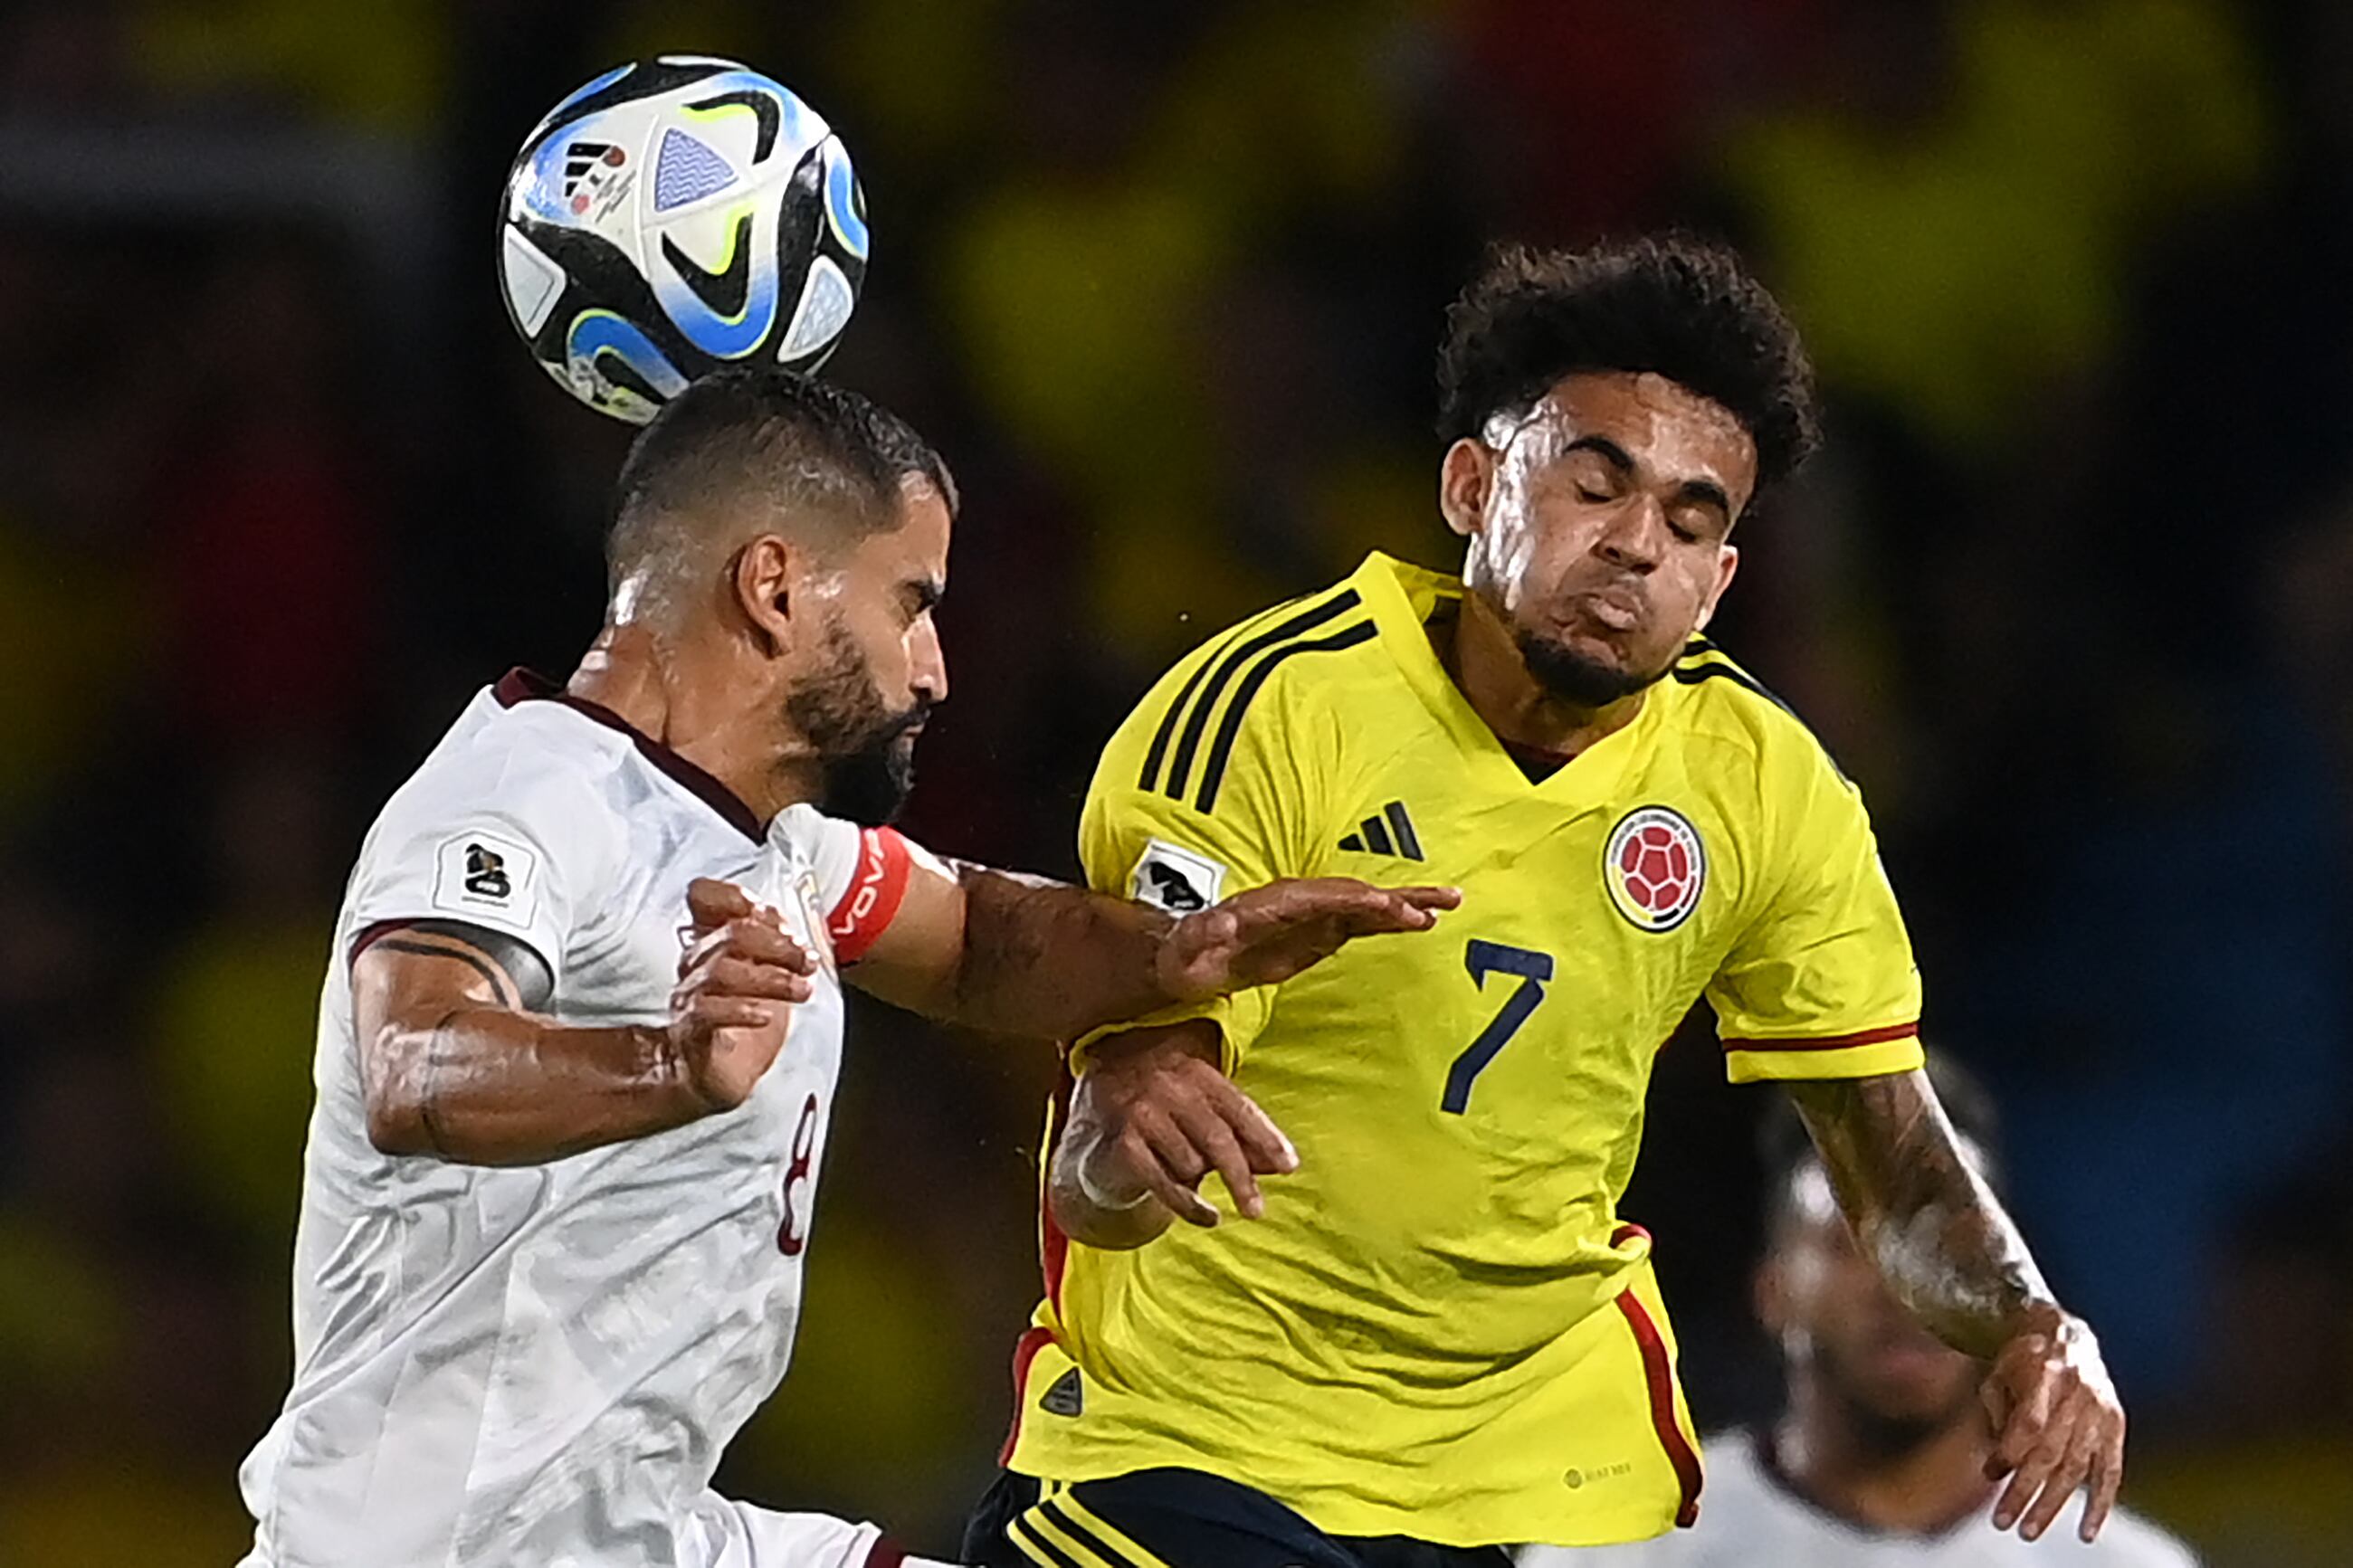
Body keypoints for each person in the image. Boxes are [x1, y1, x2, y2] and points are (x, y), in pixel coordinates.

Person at [965, 238, 2125, 1568]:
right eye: (1595, 482)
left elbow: (1889, 1146)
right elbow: (1118, 1130)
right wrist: (1119, 1132)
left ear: (1720, 581)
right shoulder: (1270, 710)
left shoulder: (1763, 785)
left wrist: (2035, 1323)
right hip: (1199, 1445)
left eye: (1692, 523)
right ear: (1473, 483)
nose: (1637, 544)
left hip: (1527, 1479)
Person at [234, 368, 1456, 1568]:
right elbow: (415, 1061)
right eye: (908, 604)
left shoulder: (770, 845)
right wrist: (665, 1066)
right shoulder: (529, 796)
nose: (934, 669)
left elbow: (977, 937)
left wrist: (1176, 956)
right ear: (773, 587)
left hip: (646, 1532)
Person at [1522, 1054, 2197, 1567]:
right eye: (1850, 1245)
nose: (1903, 1289)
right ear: (1772, 1289)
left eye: (1946, 1250)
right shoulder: (1618, 1555)